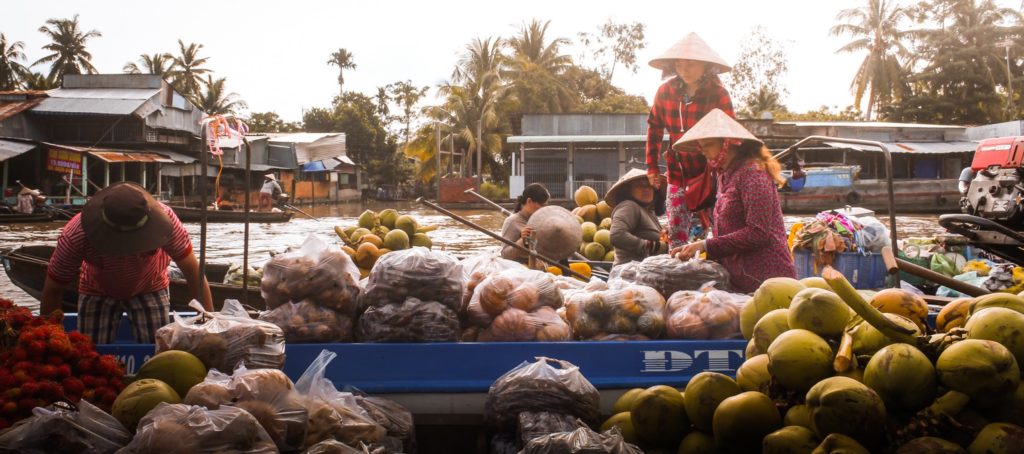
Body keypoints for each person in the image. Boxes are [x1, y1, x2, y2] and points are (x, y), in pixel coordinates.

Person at [41, 182, 213, 343]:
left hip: (150, 285)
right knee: (91, 351)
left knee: (157, 350)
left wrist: (207, 328)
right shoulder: (77, 234)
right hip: (97, 288)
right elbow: (53, 289)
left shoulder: (167, 223)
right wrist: (49, 338)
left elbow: (193, 273)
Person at [669, 109, 796, 293]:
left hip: (766, 279)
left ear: (729, 144)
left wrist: (706, 245)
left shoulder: (753, 174)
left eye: (709, 144)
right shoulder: (725, 175)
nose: (703, 151)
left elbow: (757, 232)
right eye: (701, 146)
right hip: (738, 278)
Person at [645, 32, 735, 249]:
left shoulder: (718, 94)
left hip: (713, 171)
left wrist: (724, 166)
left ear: (705, 66)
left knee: (722, 228)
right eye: (679, 64)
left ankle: (725, 275)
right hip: (678, 170)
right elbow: (655, 128)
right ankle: (677, 274)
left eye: (691, 64)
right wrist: (651, 168)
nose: (684, 69)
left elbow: (731, 135)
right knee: (676, 229)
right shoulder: (664, 92)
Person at [606, 169, 669, 266]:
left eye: (649, 186)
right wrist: (651, 246)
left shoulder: (648, 212)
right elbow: (617, 235)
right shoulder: (629, 206)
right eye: (640, 185)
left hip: (645, 272)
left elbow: (654, 238)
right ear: (627, 191)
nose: (646, 189)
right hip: (630, 274)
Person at [500, 183, 550, 262]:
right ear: (529, 201)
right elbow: (504, 254)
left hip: (541, 265)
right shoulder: (512, 221)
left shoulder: (543, 220)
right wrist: (522, 241)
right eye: (542, 205)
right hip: (521, 269)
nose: (544, 209)